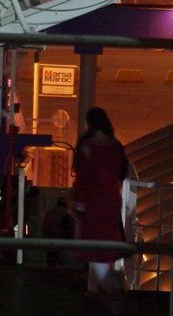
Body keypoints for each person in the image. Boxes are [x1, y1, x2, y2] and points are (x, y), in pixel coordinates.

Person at [72, 107, 129, 305]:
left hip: (90, 204)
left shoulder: (87, 147)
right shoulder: (115, 146)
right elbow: (122, 173)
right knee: (102, 247)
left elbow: (83, 178)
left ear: (89, 123)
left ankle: (111, 293)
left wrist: (78, 204)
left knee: (91, 247)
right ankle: (92, 289)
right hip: (111, 203)